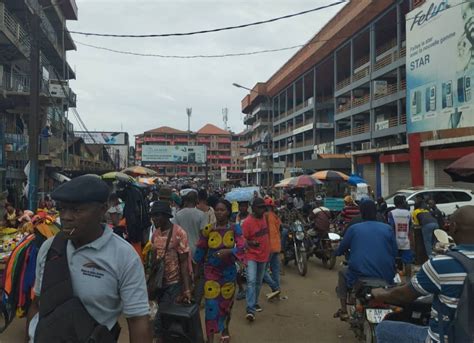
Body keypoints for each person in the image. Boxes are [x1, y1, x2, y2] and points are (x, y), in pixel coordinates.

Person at [26, 174, 151, 342]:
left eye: (77, 210)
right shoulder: (50, 248)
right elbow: (37, 305)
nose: (66, 217)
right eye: (62, 208)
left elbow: (138, 321)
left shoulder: (124, 257)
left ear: (102, 209)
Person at [373, 205, 474, 343]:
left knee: (384, 329)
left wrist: (378, 293)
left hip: (444, 339)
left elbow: (404, 295)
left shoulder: (441, 264)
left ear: (454, 227)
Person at [333, 200, 398, 321]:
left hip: (359, 274)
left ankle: (344, 311)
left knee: (342, 273)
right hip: (385, 274)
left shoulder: (354, 228)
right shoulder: (387, 228)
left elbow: (341, 248)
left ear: (361, 212)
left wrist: (336, 252)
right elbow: (395, 252)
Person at [193, 199, 245, 343]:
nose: (219, 212)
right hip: (211, 273)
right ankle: (210, 339)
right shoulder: (208, 229)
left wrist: (229, 251)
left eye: (222, 210)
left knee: (226, 305)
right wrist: (196, 273)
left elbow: (242, 247)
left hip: (228, 273)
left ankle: (225, 329)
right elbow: (200, 251)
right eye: (217, 209)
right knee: (211, 306)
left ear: (228, 211)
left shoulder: (235, 228)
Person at [150, 201, 192, 342]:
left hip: (174, 284)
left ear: (166, 216)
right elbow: (153, 259)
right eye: (153, 216)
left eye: (157, 216)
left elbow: (184, 262)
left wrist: (186, 289)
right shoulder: (155, 234)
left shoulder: (179, 233)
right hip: (159, 284)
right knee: (158, 317)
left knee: (165, 317)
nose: (154, 219)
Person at [242, 198, 270, 322]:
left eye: (263, 207)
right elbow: (242, 240)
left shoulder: (265, 217)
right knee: (251, 281)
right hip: (251, 255)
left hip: (263, 255)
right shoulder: (247, 222)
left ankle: (255, 302)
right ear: (253, 208)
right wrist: (251, 242)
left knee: (258, 282)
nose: (263, 210)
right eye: (260, 207)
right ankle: (250, 309)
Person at [174, 190, 207, 256]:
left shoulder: (178, 214)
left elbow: (175, 232)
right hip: (197, 249)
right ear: (196, 200)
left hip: (182, 249)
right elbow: (203, 234)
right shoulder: (201, 214)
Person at [388, 195, 413, 277]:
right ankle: (408, 281)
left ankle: (394, 280)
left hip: (394, 241)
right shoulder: (409, 213)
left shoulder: (391, 213)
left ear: (395, 203)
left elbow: (391, 228)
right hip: (406, 241)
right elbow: (410, 229)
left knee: (393, 261)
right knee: (408, 262)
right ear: (403, 202)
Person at [262, 198, 282, 300]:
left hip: (268, 247)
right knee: (275, 270)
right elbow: (280, 228)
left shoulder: (264, 216)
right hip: (277, 246)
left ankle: (275, 287)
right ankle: (277, 289)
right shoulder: (275, 216)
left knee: (262, 270)